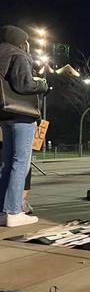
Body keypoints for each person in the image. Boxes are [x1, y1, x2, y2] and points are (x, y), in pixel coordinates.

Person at [0, 26, 49, 227]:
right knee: (21, 162)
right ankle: (13, 210)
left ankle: (3, 210)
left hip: (5, 113)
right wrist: (43, 85)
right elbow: (24, 85)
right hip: (22, 114)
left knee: (7, 163)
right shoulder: (18, 54)